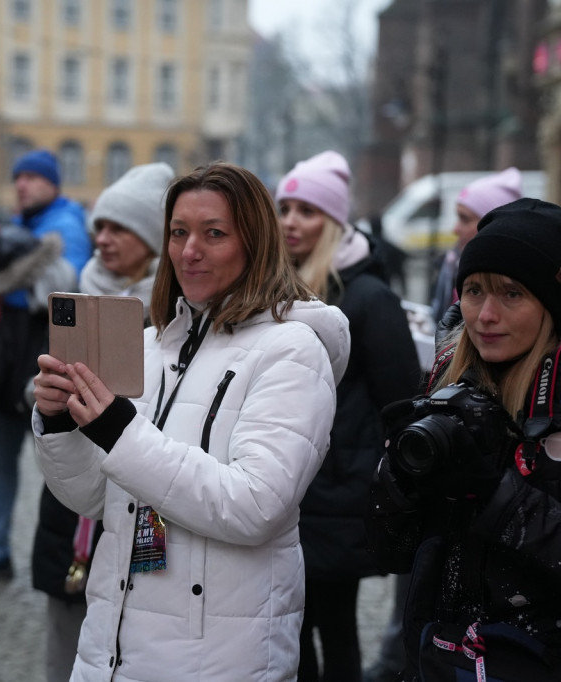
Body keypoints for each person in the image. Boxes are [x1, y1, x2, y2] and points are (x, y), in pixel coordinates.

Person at [30, 162, 350, 680]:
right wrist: (60, 423)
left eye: (213, 234)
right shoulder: (151, 344)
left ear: (255, 243)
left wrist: (118, 432)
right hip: (112, 652)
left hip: (219, 657)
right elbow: (95, 498)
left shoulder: (291, 351)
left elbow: (256, 505)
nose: (188, 250)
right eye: (178, 233)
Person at [367, 198, 561, 681]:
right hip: (445, 660)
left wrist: (497, 498)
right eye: (473, 291)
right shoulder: (448, 385)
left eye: (511, 294)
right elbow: (391, 553)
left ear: (549, 304)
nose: (485, 315)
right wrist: (399, 481)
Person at [275, 151, 422, 682]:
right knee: (290, 627)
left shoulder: (368, 296)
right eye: (285, 208)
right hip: (287, 487)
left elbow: (403, 402)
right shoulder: (278, 289)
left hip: (337, 495)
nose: (291, 221)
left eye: (307, 211)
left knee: (330, 626)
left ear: (335, 222)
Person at [31, 161, 174, 682]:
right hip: (71, 505)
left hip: (145, 496)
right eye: (101, 226)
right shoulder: (75, 290)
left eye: (121, 228)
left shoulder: (173, 309)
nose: (103, 238)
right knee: (67, 635)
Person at [0, 148, 90, 581]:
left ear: (53, 182)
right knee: (0, 456)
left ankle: (69, 558)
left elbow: (62, 290)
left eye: (31, 177)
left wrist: (2, 288)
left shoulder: (66, 225)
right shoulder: (25, 223)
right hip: (9, 360)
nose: (22, 184)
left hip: (43, 363)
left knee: (58, 464)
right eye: (17, 177)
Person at [429, 168, 522, 323]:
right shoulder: (452, 265)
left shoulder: (518, 282)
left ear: (493, 225)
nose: (455, 229)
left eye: (465, 219)